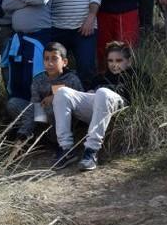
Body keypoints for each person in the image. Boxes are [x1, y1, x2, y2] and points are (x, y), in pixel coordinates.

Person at [52, 41, 144, 172]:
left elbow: (139, 100)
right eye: (110, 60)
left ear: (128, 62)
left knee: (102, 92)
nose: (114, 64)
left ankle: (91, 152)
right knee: (62, 92)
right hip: (98, 109)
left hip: (121, 109)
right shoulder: (100, 77)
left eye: (119, 60)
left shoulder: (137, 75)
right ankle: (65, 149)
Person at [6, 41, 83, 147]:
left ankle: (55, 141)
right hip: (41, 117)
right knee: (13, 103)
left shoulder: (72, 80)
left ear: (64, 62)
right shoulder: (38, 80)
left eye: (54, 59)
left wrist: (55, 97)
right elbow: (33, 108)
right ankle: (29, 136)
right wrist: (22, 135)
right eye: (46, 59)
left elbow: (80, 105)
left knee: (52, 108)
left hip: (63, 120)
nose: (50, 63)